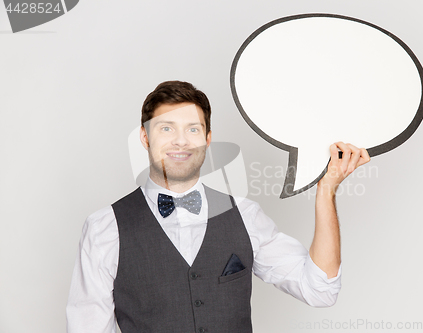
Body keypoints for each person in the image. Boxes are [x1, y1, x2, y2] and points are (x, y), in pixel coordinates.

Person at [66, 81, 371, 333]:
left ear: (208, 139)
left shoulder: (246, 216)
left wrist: (326, 190)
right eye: (166, 129)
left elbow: (320, 289)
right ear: (145, 137)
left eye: (193, 130)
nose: (181, 142)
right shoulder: (105, 227)